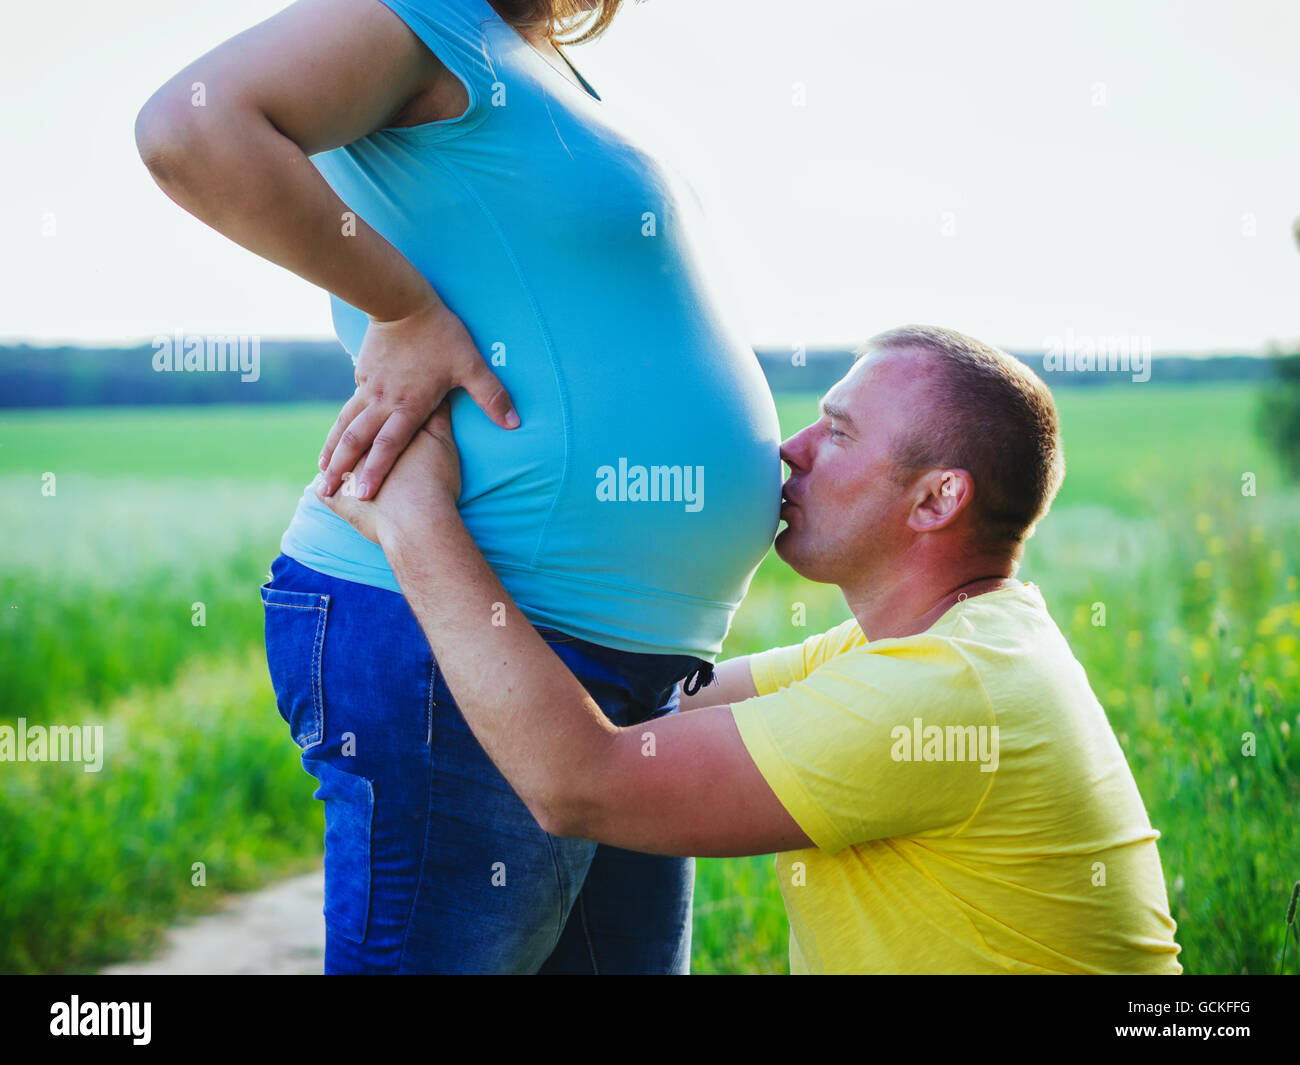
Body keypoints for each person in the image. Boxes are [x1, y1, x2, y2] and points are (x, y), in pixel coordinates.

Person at [135, 0, 781, 973]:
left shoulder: (531, 58)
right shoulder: (414, 13)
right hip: (467, 624)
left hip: (618, 667)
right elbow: (190, 126)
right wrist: (400, 310)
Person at [319, 325, 1185, 975]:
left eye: (838, 434)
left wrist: (415, 521)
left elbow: (584, 782)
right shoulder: (914, 647)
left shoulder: (949, 689)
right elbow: (655, 713)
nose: (791, 452)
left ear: (935, 500)